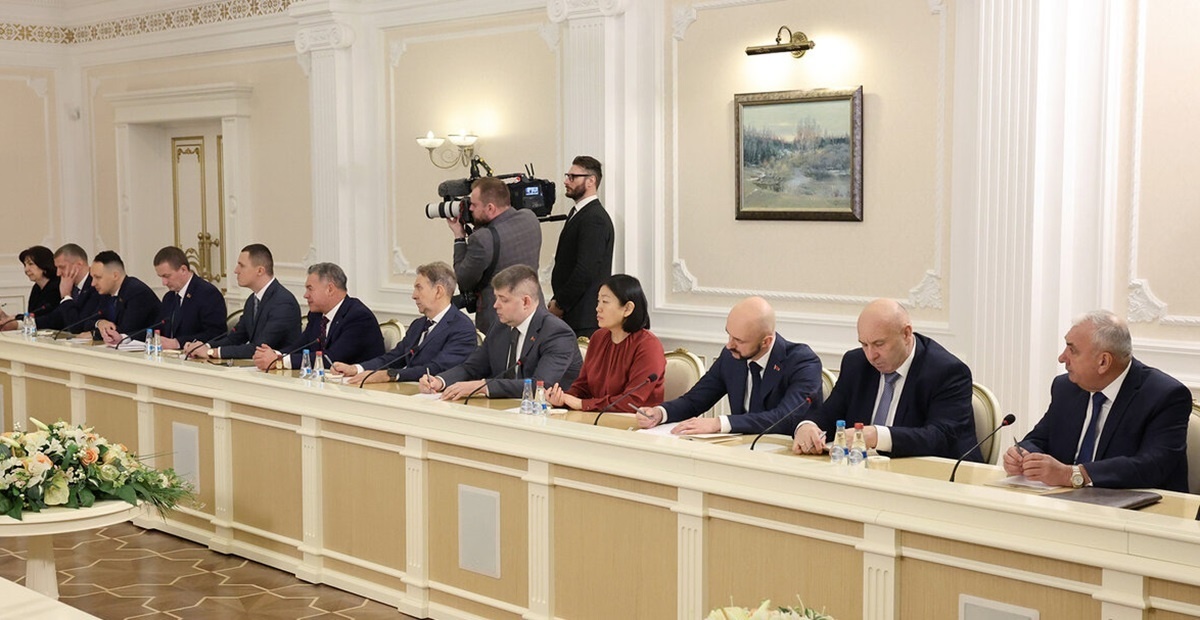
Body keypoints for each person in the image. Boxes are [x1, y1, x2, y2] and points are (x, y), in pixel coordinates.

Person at [1003, 311, 1190, 492]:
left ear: (1103, 362)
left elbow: (1153, 466)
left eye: (1072, 350)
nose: (1062, 358)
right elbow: (1038, 439)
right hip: (1067, 502)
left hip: (1139, 507)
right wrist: (1023, 456)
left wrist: (1073, 475)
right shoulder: (1066, 388)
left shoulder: (1164, 395)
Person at [791, 299, 982, 460]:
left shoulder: (947, 371)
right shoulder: (856, 363)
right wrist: (808, 426)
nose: (871, 355)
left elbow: (940, 438)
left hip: (937, 480)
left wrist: (877, 436)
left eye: (879, 344)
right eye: (864, 344)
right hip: (866, 474)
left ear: (906, 334)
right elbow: (829, 413)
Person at [636, 296, 822, 435]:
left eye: (739, 340)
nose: (729, 345)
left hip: (786, 456)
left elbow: (784, 418)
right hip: (739, 451)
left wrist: (719, 423)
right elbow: (695, 400)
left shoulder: (802, 362)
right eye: (729, 335)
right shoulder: (731, 357)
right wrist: (660, 413)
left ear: (766, 342)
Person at [420, 264, 581, 400]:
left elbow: (540, 386)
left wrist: (483, 386)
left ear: (526, 302)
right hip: (503, 409)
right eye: (496, 297)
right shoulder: (500, 326)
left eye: (503, 299)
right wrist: (440, 381)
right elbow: (472, 367)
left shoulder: (557, 333)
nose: (495, 305)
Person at [337, 261, 477, 385]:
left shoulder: (462, 328)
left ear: (438, 291)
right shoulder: (418, 325)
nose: (414, 295)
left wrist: (391, 375)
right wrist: (356, 368)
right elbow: (394, 357)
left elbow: (436, 369)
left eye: (419, 288)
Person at [547, 274, 664, 412]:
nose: (598, 308)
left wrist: (583, 404)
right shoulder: (598, 338)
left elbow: (632, 401)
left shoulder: (648, 345)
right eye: (598, 301)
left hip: (636, 421)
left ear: (627, 309)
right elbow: (582, 387)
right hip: (595, 418)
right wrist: (563, 399)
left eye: (605, 302)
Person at [449, 176, 541, 334]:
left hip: (498, 321)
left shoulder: (482, 238)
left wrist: (459, 237)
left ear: (490, 208)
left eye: (474, 205)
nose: (470, 209)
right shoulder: (530, 218)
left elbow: (463, 279)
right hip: (534, 314)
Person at [252, 262, 384, 371]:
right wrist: (275, 354)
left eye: (310, 288)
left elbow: (330, 358)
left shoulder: (359, 317)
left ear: (330, 289)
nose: (305, 295)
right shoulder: (317, 315)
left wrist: (279, 361)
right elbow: (300, 346)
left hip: (360, 388)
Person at [185, 244, 300, 360]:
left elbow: (259, 348)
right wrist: (204, 346)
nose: (236, 270)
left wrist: (212, 352)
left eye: (242, 266)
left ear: (260, 271)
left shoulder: (283, 303)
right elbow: (235, 337)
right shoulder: (252, 300)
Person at [549, 156, 613, 338]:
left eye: (572, 177)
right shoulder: (580, 212)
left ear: (591, 181)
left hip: (583, 318)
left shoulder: (595, 219)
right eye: (567, 176)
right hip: (573, 313)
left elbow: (585, 270)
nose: (566, 181)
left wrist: (561, 304)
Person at [130, 246, 227, 350]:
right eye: (161, 277)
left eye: (167, 276)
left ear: (183, 270)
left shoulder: (208, 294)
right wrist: (126, 338)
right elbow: (157, 328)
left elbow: (216, 334)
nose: (164, 283)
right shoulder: (169, 297)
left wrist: (178, 343)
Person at [91, 251, 162, 344]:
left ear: (115, 275)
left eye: (98, 277)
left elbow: (124, 331)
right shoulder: (106, 293)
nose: (93, 283)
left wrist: (94, 333)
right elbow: (87, 322)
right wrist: (100, 323)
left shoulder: (136, 292)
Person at [38, 243, 101, 332]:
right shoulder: (71, 286)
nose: (58, 273)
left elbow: (77, 327)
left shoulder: (96, 286)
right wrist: (21, 323)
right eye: (57, 268)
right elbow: (54, 318)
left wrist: (66, 296)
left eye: (62, 267)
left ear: (79, 265)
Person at [0, 246, 61, 330]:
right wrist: (10, 318)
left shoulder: (57, 286)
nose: (26, 269)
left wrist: (16, 322)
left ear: (44, 264)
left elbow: (49, 319)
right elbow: (33, 314)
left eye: (31, 264)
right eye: (25, 265)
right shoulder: (37, 288)